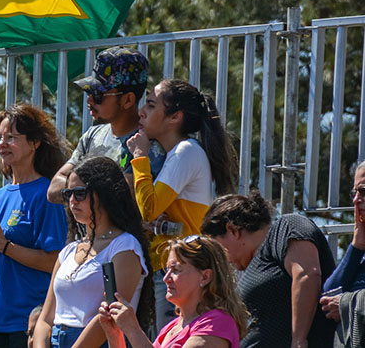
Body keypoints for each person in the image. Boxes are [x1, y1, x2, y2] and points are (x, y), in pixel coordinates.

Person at [128, 78, 237, 328]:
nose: (141, 112)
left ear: (175, 117)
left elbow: (149, 208)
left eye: (151, 105)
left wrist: (139, 156)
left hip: (181, 269)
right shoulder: (179, 153)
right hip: (170, 267)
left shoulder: (186, 151)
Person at [0, 104, 68, 348]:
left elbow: (54, 261)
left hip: (27, 324)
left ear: (35, 143)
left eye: (11, 137)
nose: (2, 144)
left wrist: (4, 245)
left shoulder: (46, 194)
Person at [32, 156, 153, 348]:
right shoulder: (68, 251)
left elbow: (108, 318)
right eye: (68, 194)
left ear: (104, 193)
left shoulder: (125, 246)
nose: (72, 201)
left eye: (80, 193)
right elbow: (45, 319)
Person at [201, 191, 336, 348]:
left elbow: (306, 274)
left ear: (233, 230)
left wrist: (299, 340)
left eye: (218, 248)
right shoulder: (248, 270)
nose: (220, 259)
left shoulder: (286, 226)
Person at [48, 47, 163, 204]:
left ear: (128, 100)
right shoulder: (91, 136)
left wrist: (76, 188)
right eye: (89, 92)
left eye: (98, 95)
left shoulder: (146, 145)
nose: (89, 100)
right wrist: (97, 192)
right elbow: (54, 189)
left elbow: (126, 198)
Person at [97, 235, 248, 348]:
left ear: (205, 276)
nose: (166, 278)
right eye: (167, 270)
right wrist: (114, 334)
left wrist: (133, 330)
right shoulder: (172, 327)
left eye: (176, 270)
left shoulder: (217, 323)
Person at [321, 161, 365, 319]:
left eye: (363, 191)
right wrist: (356, 246)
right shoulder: (359, 253)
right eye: (355, 192)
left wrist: (347, 305)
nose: (356, 199)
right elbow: (327, 299)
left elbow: (339, 303)